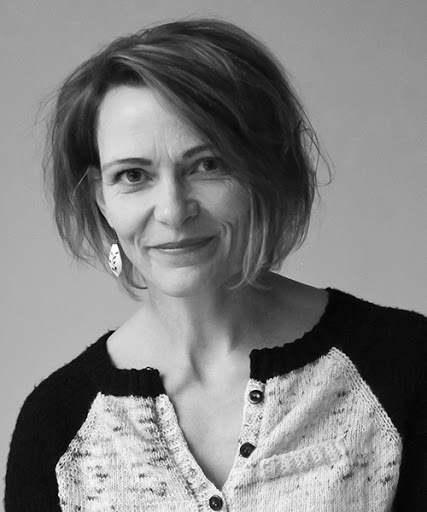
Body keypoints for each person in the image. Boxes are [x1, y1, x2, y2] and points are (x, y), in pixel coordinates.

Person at [4, 18, 426, 512]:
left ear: (265, 170)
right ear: (101, 198)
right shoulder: (56, 426)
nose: (173, 210)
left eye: (207, 165)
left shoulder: (404, 366)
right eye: (133, 175)